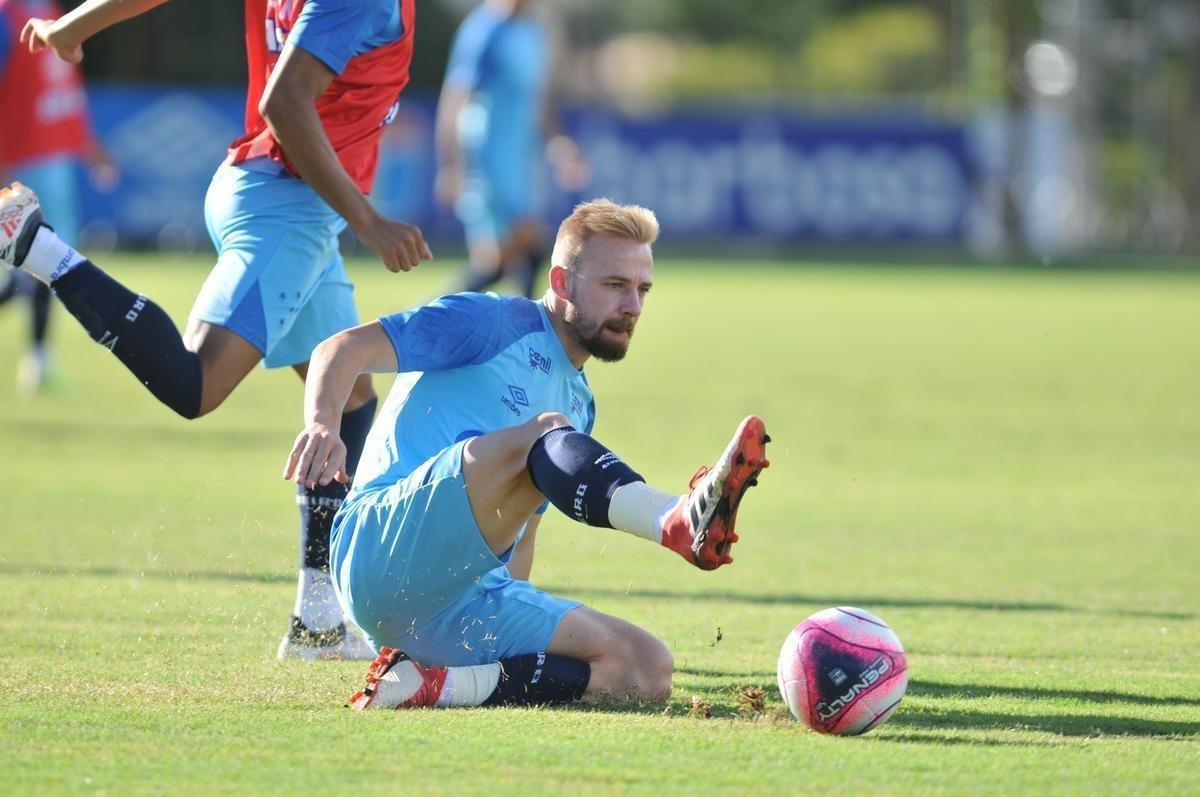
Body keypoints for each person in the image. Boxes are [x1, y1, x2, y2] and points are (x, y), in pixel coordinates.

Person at [0, 0, 431, 661]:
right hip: (285, 207)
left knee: (349, 395)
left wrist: (74, 26)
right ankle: (36, 246)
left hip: (281, 200)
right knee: (195, 384)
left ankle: (317, 615)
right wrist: (370, 222)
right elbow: (286, 103)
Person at [282, 198, 771, 709]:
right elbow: (340, 349)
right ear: (560, 283)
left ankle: (431, 684)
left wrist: (512, 619)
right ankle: (675, 519)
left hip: (454, 601)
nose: (633, 307)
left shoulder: (579, 406)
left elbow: (520, 538)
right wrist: (322, 424)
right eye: (614, 285)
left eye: (642, 289)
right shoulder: (489, 321)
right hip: (377, 551)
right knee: (542, 436)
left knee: (644, 668)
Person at [434, 0, 586, 300]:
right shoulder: (485, 30)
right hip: (487, 155)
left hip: (518, 156)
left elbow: (536, 99)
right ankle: (527, 331)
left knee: (504, 260)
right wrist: (450, 165)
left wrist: (558, 141)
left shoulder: (533, 33)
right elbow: (456, 97)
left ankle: (421, 325)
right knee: (526, 244)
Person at [0, 0, 114, 393]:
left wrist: (90, 148)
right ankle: (38, 361)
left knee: (47, 262)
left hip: (57, 158)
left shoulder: (53, 13)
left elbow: (64, 92)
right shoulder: (6, 16)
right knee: (41, 261)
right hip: (23, 159)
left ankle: (38, 361)